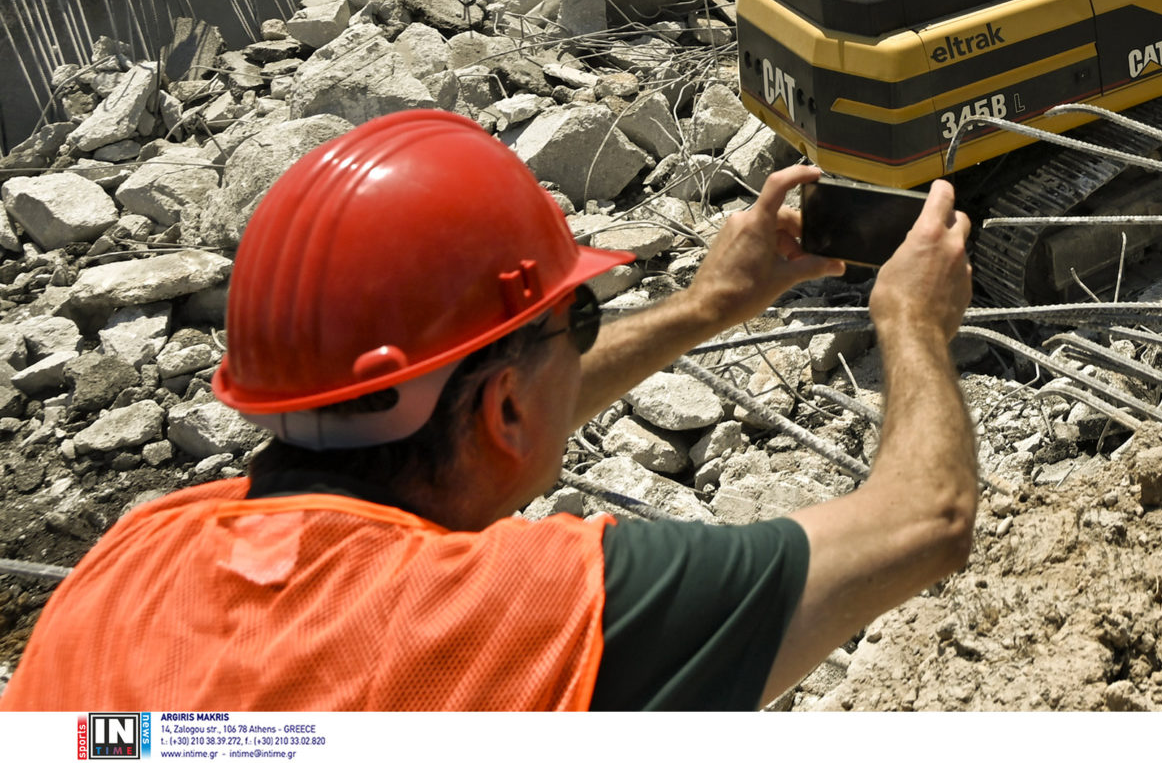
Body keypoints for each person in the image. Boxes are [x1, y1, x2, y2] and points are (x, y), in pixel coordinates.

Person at [1, 108, 977, 711]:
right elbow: (924, 522)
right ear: (503, 412)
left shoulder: (125, 568)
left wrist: (708, 307)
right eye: (577, 320)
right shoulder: (530, 617)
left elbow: (481, 430)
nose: (586, 341)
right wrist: (911, 320)